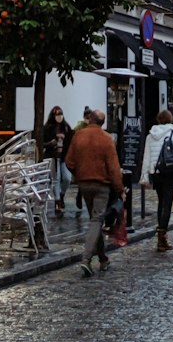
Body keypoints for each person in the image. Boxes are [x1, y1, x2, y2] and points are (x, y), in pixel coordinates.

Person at [64, 108, 124, 278]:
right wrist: (119, 189)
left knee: (94, 221)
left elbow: (69, 161)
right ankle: (86, 259)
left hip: (84, 184)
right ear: (102, 122)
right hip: (102, 185)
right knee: (96, 221)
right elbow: (113, 168)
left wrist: (79, 174)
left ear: (90, 119)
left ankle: (103, 258)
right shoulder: (106, 139)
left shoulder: (78, 136)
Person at [140, 105, 173, 252]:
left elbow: (146, 157)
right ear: (170, 119)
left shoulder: (150, 135)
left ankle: (161, 233)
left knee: (161, 201)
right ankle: (162, 235)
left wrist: (145, 176)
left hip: (156, 172)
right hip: (170, 171)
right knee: (167, 203)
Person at [42, 105, 74, 215]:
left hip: (64, 157)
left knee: (67, 178)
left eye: (61, 114)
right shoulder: (48, 128)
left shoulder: (66, 127)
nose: (59, 116)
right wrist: (50, 144)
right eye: (57, 114)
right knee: (56, 178)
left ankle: (61, 194)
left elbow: (70, 142)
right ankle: (57, 201)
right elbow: (42, 142)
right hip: (53, 156)